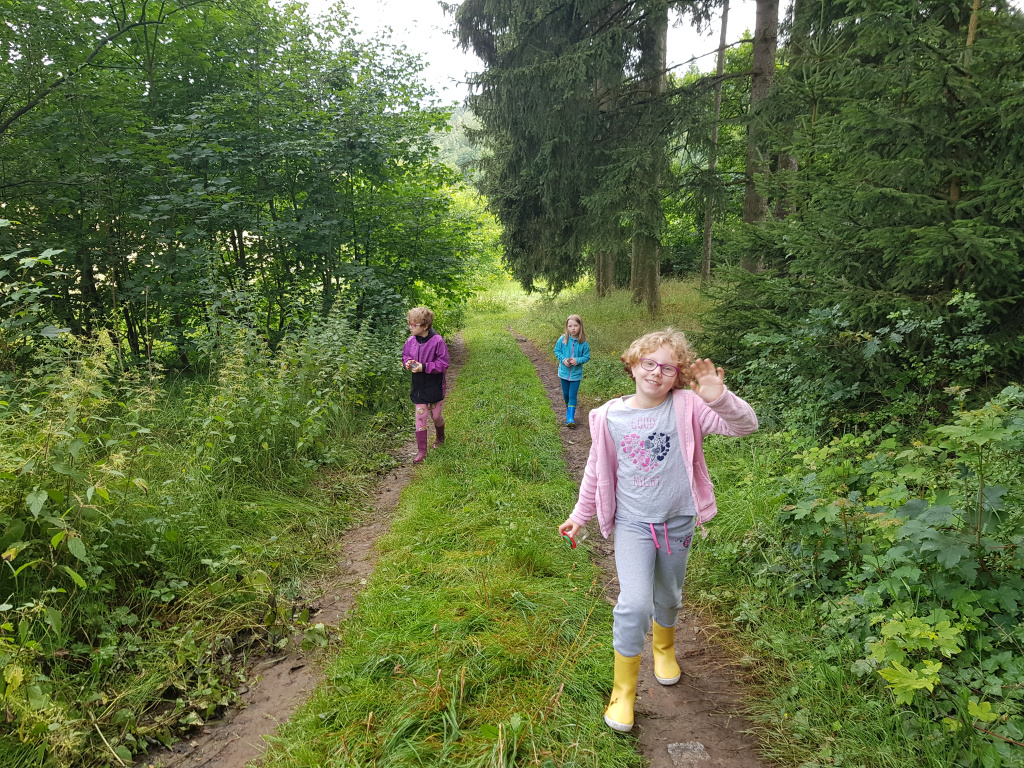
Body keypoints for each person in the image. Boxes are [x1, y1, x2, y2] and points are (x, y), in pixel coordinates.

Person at [557, 328, 758, 733]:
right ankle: (623, 692)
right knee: (634, 604)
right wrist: (580, 514)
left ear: (678, 376)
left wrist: (718, 397)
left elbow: (745, 426)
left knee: (668, 594)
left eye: (668, 368)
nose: (656, 373)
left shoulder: (688, 406)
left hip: (678, 521)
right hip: (632, 524)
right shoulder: (608, 416)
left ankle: (664, 648)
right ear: (633, 366)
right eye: (649, 363)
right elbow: (596, 469)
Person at [402, 307, 450, 464]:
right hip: (419, 387)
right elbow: (405, 355)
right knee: (420, 416)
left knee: (436, 416)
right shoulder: (410, 341)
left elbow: (443, 364)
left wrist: (424, 367)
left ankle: (440, 436)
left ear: (425, 326)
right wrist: (407, 362)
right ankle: (422, 450)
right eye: (409, 324)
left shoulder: (437, 341)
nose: (410, 327)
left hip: (435, 386)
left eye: (413, 325)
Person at [553, 314, 590, 428]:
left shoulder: (583, 343)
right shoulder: (562, 339)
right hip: (564, 373)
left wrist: (578, 360)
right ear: (567, 327)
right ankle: (568, 406)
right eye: (570, 326)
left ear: (580, 326)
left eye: (575, 326)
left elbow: (586, 356)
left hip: (576, 375)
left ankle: (570, 418)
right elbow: (557, 351)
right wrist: (563, 359)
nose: (573, 328)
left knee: (572, 395)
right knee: (566, 395)